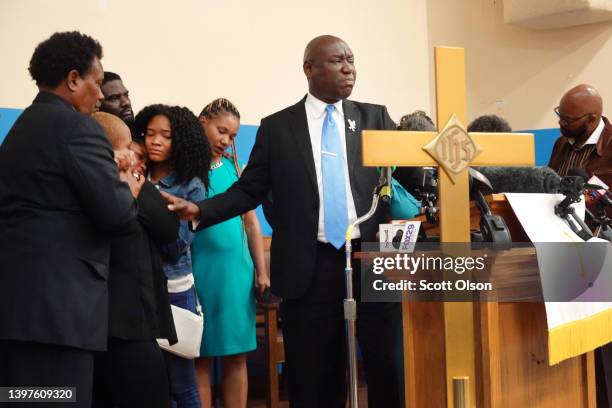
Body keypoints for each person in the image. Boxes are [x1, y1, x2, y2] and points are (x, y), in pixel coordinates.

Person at [162, 35, 404, 408]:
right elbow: (249, 190)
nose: (348, 68)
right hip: (309, 267)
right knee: (313, 374)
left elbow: (403, 180)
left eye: (352, 61)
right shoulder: (278, 128)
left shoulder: (375, 118)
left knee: (388, 366)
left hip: (368, 260)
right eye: (338, 60)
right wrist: (200, 211)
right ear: (309, 68)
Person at [0, 31, 141, 408]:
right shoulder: (80, 130)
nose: (100, 95)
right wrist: (127, 185)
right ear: (74, 79)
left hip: (17, 310)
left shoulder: (20, 129)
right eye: (96, 83)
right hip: (60, 316)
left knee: (26, 400)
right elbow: (118, 215)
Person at [91, 112, 178, 408]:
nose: (133, 154)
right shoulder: (90, 186)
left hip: (139, 317)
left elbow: (169, 230)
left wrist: (139, 191)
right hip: (112, 320)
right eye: (127, 146)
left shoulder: (140, 184)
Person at [192, 98, 270, 408]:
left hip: (236, 273)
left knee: (236, 356)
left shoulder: (233, 169)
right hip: (198, 271)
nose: (226, 140)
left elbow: (251, 222)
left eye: (233, 136)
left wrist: (261, 271)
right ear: (202, 123)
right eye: (221, 131)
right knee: (201, 356)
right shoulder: (183, 168)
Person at [134, 104, 211, 408]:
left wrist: (146, 202)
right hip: (139, 288)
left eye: (165, 136)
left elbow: (178, 244)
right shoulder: (136, 173)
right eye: (150, 134)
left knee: (181, 382)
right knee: (153, 383)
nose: (155, 141)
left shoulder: (192, 185)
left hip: (174, 288)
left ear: (179, 141)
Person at [548, 84, 612, 407]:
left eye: (568, 120)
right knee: (574, 348)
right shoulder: (562, 145)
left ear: (593, 119)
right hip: (560, 254)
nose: (561, 125)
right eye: (560, 116)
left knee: (602, 350)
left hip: (602, 258)